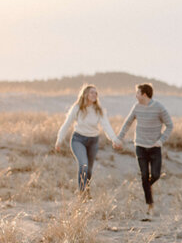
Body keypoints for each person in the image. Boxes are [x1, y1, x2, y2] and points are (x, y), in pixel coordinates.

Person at [55, 84, 122, 195]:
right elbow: (67, 124)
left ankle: (87, 190)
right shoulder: (77, 108)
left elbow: (106, 126)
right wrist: (59, 140)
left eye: (96, 93)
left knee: (89, 170)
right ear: (85, 94)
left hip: (93, 142)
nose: (94, 94)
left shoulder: (99, 110)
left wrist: (114, 139)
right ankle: (81, 193)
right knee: (83, 165)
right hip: (78, 140)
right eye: (92, 92)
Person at [117, 83, 173, 214]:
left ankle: (146, 188)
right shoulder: (136, 107)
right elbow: (127, 123)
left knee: (155, 175)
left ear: (144, 94)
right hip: (140, 146)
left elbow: (170, 125)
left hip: (155, 147)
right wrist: (119, 138)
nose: (135, 95)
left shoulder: (159, 108)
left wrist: (161, 140)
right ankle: (150, 204)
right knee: (144, 175)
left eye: (137, 93)